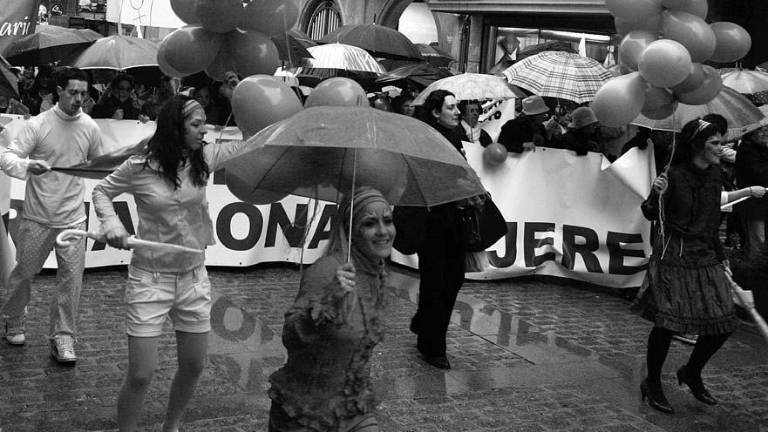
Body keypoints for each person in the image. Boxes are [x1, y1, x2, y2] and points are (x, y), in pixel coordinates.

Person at [92, 94, 247, 432]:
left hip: (194, 279)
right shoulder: (139, 167)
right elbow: (101, 192)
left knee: (193, 366)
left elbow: (251, 144)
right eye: (195, 125)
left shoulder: (204, 157)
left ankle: (172, 426)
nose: (202, 132)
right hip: (150, 280)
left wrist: (248, 99)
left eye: (204, 125)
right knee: (141, 374)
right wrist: (112, 223)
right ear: (175, 127)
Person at [633, 118, 767, 414]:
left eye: (722, 142)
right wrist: (656, 192)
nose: (722, 148)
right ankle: (652, 382)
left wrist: (722, 257)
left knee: (724, 322)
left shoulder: (716, 174)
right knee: (668, 324)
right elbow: (650, 213)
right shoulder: (674, 174)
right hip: (673, 256)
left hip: (705, 255)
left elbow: (710, 219)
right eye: (715, 143)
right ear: (696, 144)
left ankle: (691, 371)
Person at [267, 186, 395, 432]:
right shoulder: (327, 270)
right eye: (369, 223)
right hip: (306, 413)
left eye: (387, 221)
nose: (382, 231)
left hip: (353, 408)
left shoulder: (376, 273)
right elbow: (290, 337)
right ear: (351, 231)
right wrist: (328, 299)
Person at [0, 67, 104, 363]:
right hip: (36, 217)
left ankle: (64, 337)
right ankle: (15, 318)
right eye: (73, 92)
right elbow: (6, 156)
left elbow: (99, 163)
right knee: (23, 274)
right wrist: (26, 166)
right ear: (59, 90)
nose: (79, 99)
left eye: (83, 93)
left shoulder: (90, 127)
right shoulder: (39, 124)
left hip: (73, 219)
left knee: (71, 281)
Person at [406, 89, 469, 369]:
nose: (457, 112)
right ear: (435, 112)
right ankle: (432, 346)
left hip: (453, 219)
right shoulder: (424, 140)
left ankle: (423, 322)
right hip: (432, 223)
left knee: (451, 278)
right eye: (451, 107)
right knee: (437, 282)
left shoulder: (456, 136)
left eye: (457, 107)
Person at [735, 124, 768, 258]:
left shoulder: (763, 149)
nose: (765, 134)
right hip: (753, 204)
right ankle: (753, 271)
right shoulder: (747, 149)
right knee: (757, 242)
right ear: (752, 132)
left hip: (764, 202)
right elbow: (759, 174)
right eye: (761, 130)